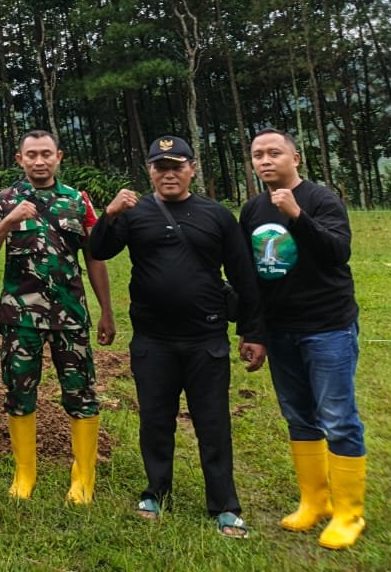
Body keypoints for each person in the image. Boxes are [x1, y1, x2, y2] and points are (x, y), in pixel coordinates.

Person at [90, 136, 266, 538]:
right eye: (160, 166)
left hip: (206, 337)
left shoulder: (217, 215)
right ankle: (155, 492)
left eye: (177, 165)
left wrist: (253, 331)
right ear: (149, 171)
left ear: (192, 168)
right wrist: (110, 213)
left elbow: (243, 276)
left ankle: (225, 505)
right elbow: (98, 249)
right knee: (155, 420)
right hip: (153, 339)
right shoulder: (135, 213)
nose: (168, 173)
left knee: (213, 422)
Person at [240, 129, 366, 550]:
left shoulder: (320, 200)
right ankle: (314, 501)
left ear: (296, 157)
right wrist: (254, 332)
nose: (265, 160)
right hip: (280, 330)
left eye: (274, 152)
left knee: (338, 418)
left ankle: (349, 513)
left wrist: (297, 215)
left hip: (327, 326)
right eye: (258, 155)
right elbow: (252, 278)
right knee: (299, 417)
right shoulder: (253, 208)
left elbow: (337, 253)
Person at [0, 130, 116, 503]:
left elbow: (95, 257)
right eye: (31, 155)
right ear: (19, 159)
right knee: (20, 392)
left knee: (81, 392)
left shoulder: (77, 201)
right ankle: (25, 474)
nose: (39, 161)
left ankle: (83, 477)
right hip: (20, 319)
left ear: (59, 157)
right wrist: (9, 221)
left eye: (46, 154)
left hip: (70, 316)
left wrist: (106, 311)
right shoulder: (4, 200)